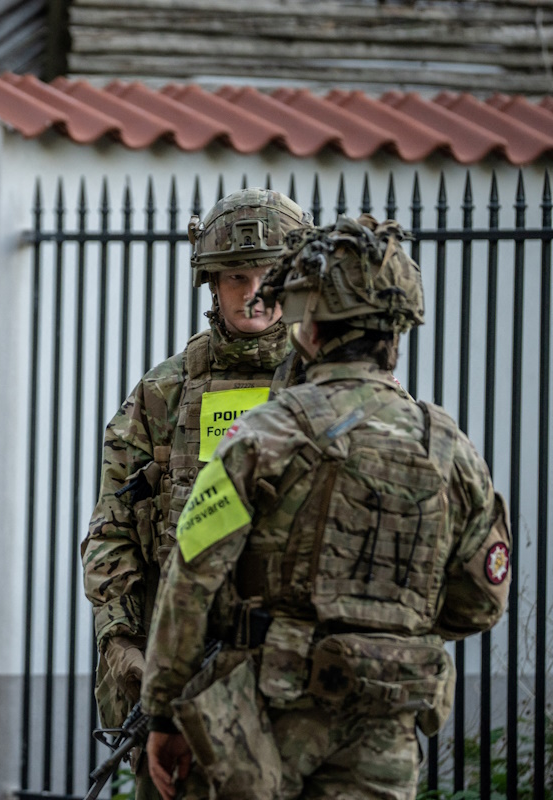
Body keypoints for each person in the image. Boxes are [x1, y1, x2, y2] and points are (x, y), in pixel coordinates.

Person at [141, 216, 511, 799]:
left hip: (265, 720)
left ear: (308, 328)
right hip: (386, 723)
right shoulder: (447, 447)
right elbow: (480, 603)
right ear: (398, 325)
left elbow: (191, 581)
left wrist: (164, 712)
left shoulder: (261, 436)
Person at [81, 188, 312, 798]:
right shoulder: (166, 392)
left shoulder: (327, 386)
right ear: (211, 282)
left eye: (268, 274)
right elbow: (111, 529)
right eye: (235, 274)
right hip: (183, 680)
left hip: (300, 682)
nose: (252, 291)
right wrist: (122, 642)